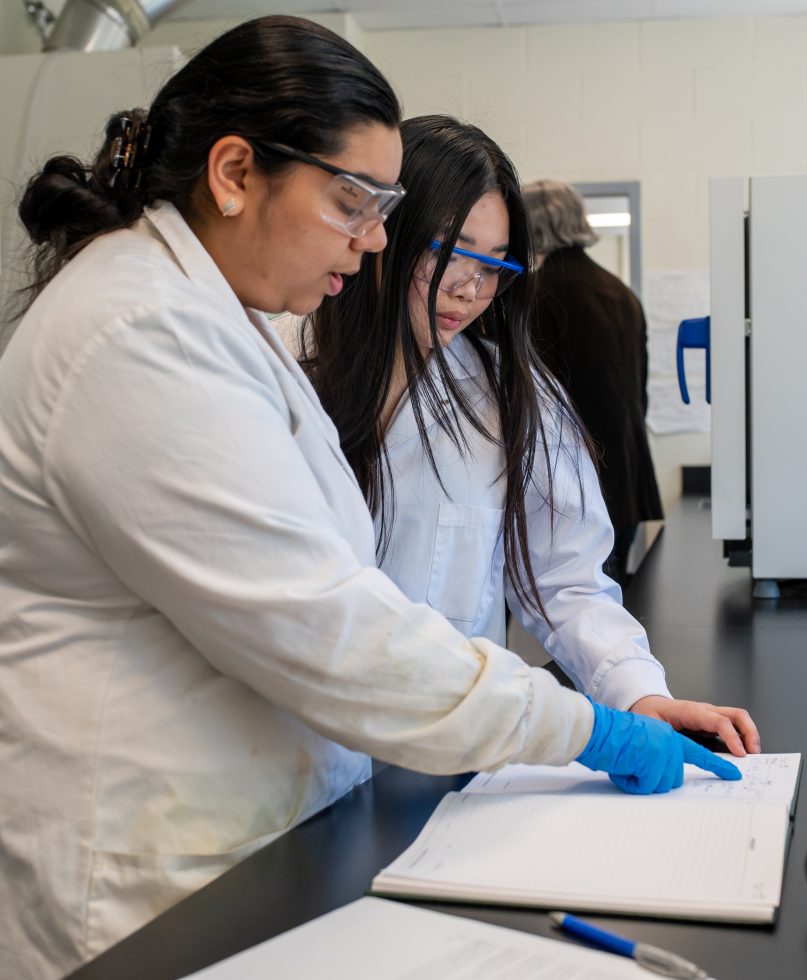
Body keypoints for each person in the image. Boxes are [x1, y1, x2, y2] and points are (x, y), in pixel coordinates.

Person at [0, 20, 740, 980]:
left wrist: (624, 695)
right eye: (356, 203)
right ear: (233, 173)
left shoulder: (222, 324)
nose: (377, 238)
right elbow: (330, 626)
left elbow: (548, 579)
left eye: (387, 211)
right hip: (149, 879)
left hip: (310, 812)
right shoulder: (147, 334)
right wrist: (584, 728)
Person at [303, 115, 759, 763]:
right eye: (449, 252)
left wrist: (638, 695)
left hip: (446, 761)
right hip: (306, 757)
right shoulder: (293, 377)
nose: (470, 287)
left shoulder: (512, 396)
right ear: (384, 232)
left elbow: (564, 579)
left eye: (492, 265)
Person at [523, 179, 663, 585]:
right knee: (612, 608)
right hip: (630, 480)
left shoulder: (537, 294)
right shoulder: (621, 293)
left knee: (580, 615)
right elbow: (639, 392)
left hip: (577, 488)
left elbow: (534, 402)